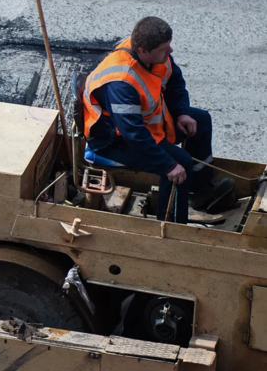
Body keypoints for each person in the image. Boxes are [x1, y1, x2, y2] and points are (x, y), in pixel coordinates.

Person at [81, 16, 233, 223]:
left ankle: (202, 192)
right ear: (143, 50)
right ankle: (171, 224)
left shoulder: (155, 54)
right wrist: (168, 165)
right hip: (114, 141)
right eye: (164, 49)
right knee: (180, 164)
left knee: (201, 120)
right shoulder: (121, 83)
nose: (170, 52)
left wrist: (182, 112)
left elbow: (175, 81)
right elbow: (134, 135)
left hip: (148, 125)